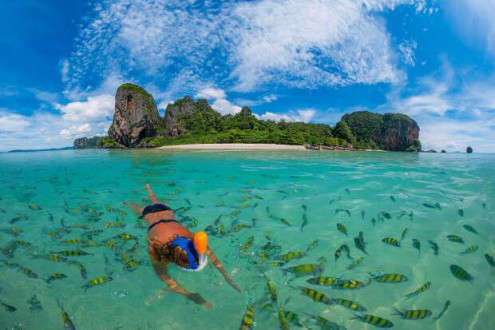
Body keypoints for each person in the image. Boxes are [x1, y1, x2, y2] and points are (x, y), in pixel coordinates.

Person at [128, 184, 241, 308]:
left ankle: (146, 188)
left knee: (150, 201)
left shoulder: (188, 238)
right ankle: (142, 192)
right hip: (152, 214)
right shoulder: (156, 248)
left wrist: (226, 276)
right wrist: (192, 296)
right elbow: (167, 280)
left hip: (165, 211)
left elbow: (170, 282)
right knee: (138, 205)